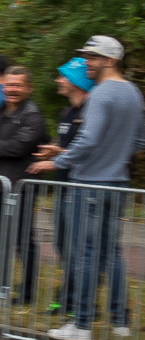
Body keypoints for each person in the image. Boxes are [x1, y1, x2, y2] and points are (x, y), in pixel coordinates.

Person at [30, 36, 145, 340]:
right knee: (112, 253)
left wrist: (59, 162)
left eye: (92, 58)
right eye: (86, 56)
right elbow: (139, 142)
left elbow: (89, 139)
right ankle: (120, 320)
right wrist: (116, 158)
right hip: (118, 184)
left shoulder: (100, 95)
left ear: (110, 61)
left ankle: (80, 324)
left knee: (84, 255)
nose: (86, 63)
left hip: (89, 183)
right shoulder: (133, 93)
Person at [0, 66, 48, 303]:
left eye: (18, 85)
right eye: (9, 85)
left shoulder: (33, 116)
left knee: (23, 240)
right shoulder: (0, 110)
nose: (12, 90)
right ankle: (1, 286)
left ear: (28, 88)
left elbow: (18, 147)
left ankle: (27, 291)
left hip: (20, 187)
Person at [47, 57, 94, 316]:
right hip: (63, 189)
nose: (58, 80)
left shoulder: (91, 112)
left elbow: (87, 151)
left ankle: (82, 304)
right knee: (63, 246)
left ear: (76, 81)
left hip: (83, 190)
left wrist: (59, 153)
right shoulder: (66, 113)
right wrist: (54, 152)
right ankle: (67, 295)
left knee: (81, 250)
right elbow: (67, 149)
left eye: (63, 76)